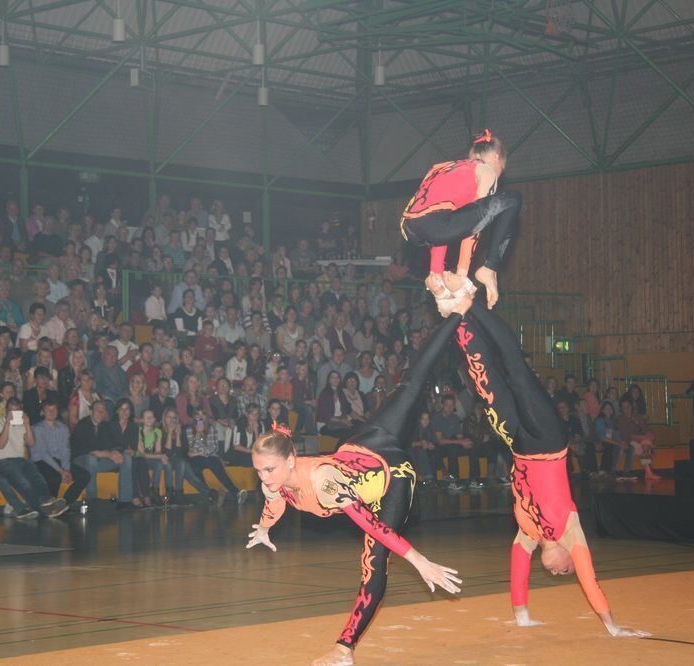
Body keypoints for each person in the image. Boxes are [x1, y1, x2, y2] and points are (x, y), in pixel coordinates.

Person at [247, 313, 466, 665]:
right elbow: (275, 503)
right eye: (258, 471)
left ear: (291, 460)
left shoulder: (323, 482)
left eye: (269, 469)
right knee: (371, 566)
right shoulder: (274, 482)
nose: (264, 479)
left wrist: (418, 560)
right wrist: (265, 527)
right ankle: (346, 649)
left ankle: (456, 318)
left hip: (391, 474)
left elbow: (372, 525)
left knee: (410, 384)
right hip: (362, 450)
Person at [439, 280, 646, 638]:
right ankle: (471, 304)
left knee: (486, 381)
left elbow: (518, 570)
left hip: (519, 443)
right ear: (568, 555)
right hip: (548, 439)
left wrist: (521, 616)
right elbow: (590, 580)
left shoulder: (529, 533)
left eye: (556, 573)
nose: (558, 572)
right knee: (517, 372)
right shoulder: (571, 531)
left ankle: (458, 319)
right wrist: (613, 626)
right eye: (565, 571)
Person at [399, 130, 520, 309]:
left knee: (448, 216)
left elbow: (440, 219)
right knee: (512, 199)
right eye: (501, 168)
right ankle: (490, 269)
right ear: (495, 157)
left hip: (409, 227)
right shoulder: (486, 171)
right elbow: (475, 226)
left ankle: (438, 286)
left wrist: (436, 271)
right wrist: (462, 273)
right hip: (436, 224)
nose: (499, 174)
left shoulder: (440, 167)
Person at [0, 397, 68, 518]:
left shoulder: (22, 424)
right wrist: (7, 423)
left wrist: (27, 424)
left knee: (38, 477)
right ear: (6, 410)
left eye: (17, 411)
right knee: (23, 482)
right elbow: (1, 444)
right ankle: (43, 507)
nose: (14, 415)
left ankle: (47, 500)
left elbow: (32, 443)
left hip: (20, 459)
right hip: (3, 461)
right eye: (11, 411)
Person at [70, 400, 136, 507]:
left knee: (126, 457)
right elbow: (85, 449)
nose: (100, 413)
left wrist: (116, 452)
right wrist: (108, 454)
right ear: (91, 412)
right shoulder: (82, 425)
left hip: (99, 461)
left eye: (103, 411)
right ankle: (92, 499)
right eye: (98, 410)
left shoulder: (106, 426)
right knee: (91, 458)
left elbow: (115, 444)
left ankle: (125, 501)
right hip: (80, 461)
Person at [31, 400, 90, 505]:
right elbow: (43, 454)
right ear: (43, 412)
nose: (51, 412)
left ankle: (64, 503)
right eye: (48, 410)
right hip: (41, 461)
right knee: (55, 476)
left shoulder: (63, 428)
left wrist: (66, 469)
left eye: (54, 409)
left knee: (85, 475)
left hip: (58, 461)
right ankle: (49, 504)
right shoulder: (37, 428)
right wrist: (61, 471)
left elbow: (65, 451)